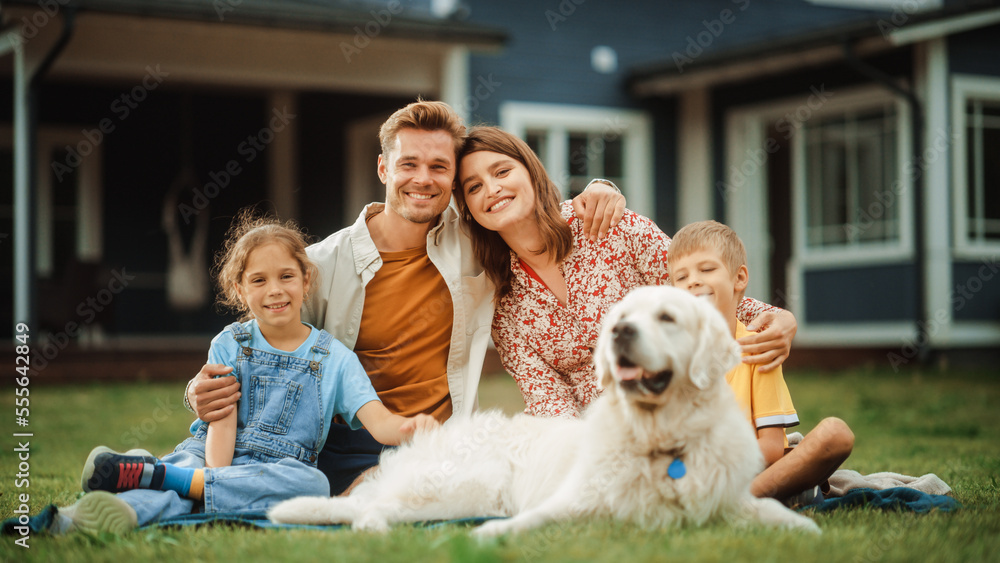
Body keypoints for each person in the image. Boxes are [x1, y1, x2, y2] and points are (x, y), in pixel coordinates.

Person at [185, 100, 625, 493]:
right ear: (383, 169)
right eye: (408, 164)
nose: (423, 179)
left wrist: (600, 189)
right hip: (340, 442)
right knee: (220, 464)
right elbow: (256, 342)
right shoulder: (321, 265)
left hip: (439, 440)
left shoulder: (479, 241)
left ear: (453, 179)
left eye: (439, 166)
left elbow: (528, 210)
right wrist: (197, 392)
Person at [50, 214, 437, 534]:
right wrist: (217, 477)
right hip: (213, 451)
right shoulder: (229, 342)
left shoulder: (334, 357)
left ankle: (144, 479)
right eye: (259, 280)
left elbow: (379, 421)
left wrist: (410, 427)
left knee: (312, 483)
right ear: (239, 290)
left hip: (280, 467)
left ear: (307, 279)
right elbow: (221, 423)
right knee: (191, 469)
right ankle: (75, 519)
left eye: (286, 276)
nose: (275, 290)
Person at [453, 126, 799, 418]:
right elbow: (547, 398)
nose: (492, 189)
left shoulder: (607, 223)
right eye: (474, 187)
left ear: (530, 171)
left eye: (501, 172)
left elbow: (693, 290)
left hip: (678, 406)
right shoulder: (501, 302)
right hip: (598, 436)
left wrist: (774, 315)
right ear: (468, 207)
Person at [668, 220, 854, 504]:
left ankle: (738, 501)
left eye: (706, 269)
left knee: (835, 434)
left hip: (754, 470)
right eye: (681, 278)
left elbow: (769, 449)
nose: (692, 280)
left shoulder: (757, 349)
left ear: (739, 279)